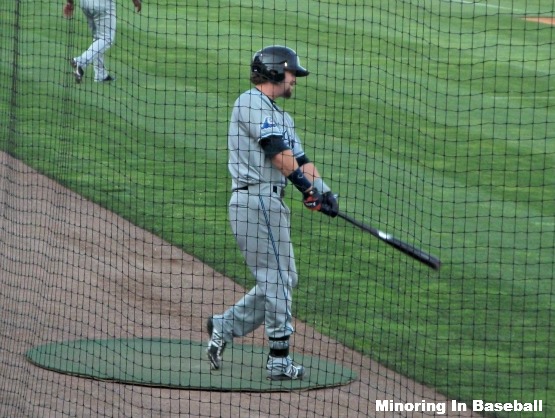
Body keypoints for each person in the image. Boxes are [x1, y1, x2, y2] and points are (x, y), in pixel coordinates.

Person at [206, 45, 339, 381]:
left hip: (271, 203)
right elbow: (276, 153)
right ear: (276, 71)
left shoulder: (283, 118)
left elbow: (300, 160)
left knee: (284, 278)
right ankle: (279, 359)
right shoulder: (250, 102)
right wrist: (306, 189)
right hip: (254, 202)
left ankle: (224, 325)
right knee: (276, 279)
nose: (296, 79)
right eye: (293, 73)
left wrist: (324, 191)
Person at [63, 0, 141, 83]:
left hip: (85, 4)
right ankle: (80, 61)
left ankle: (101, 75)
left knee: (98, 38)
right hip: (102, 5)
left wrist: (70, 2)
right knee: (106, 38)